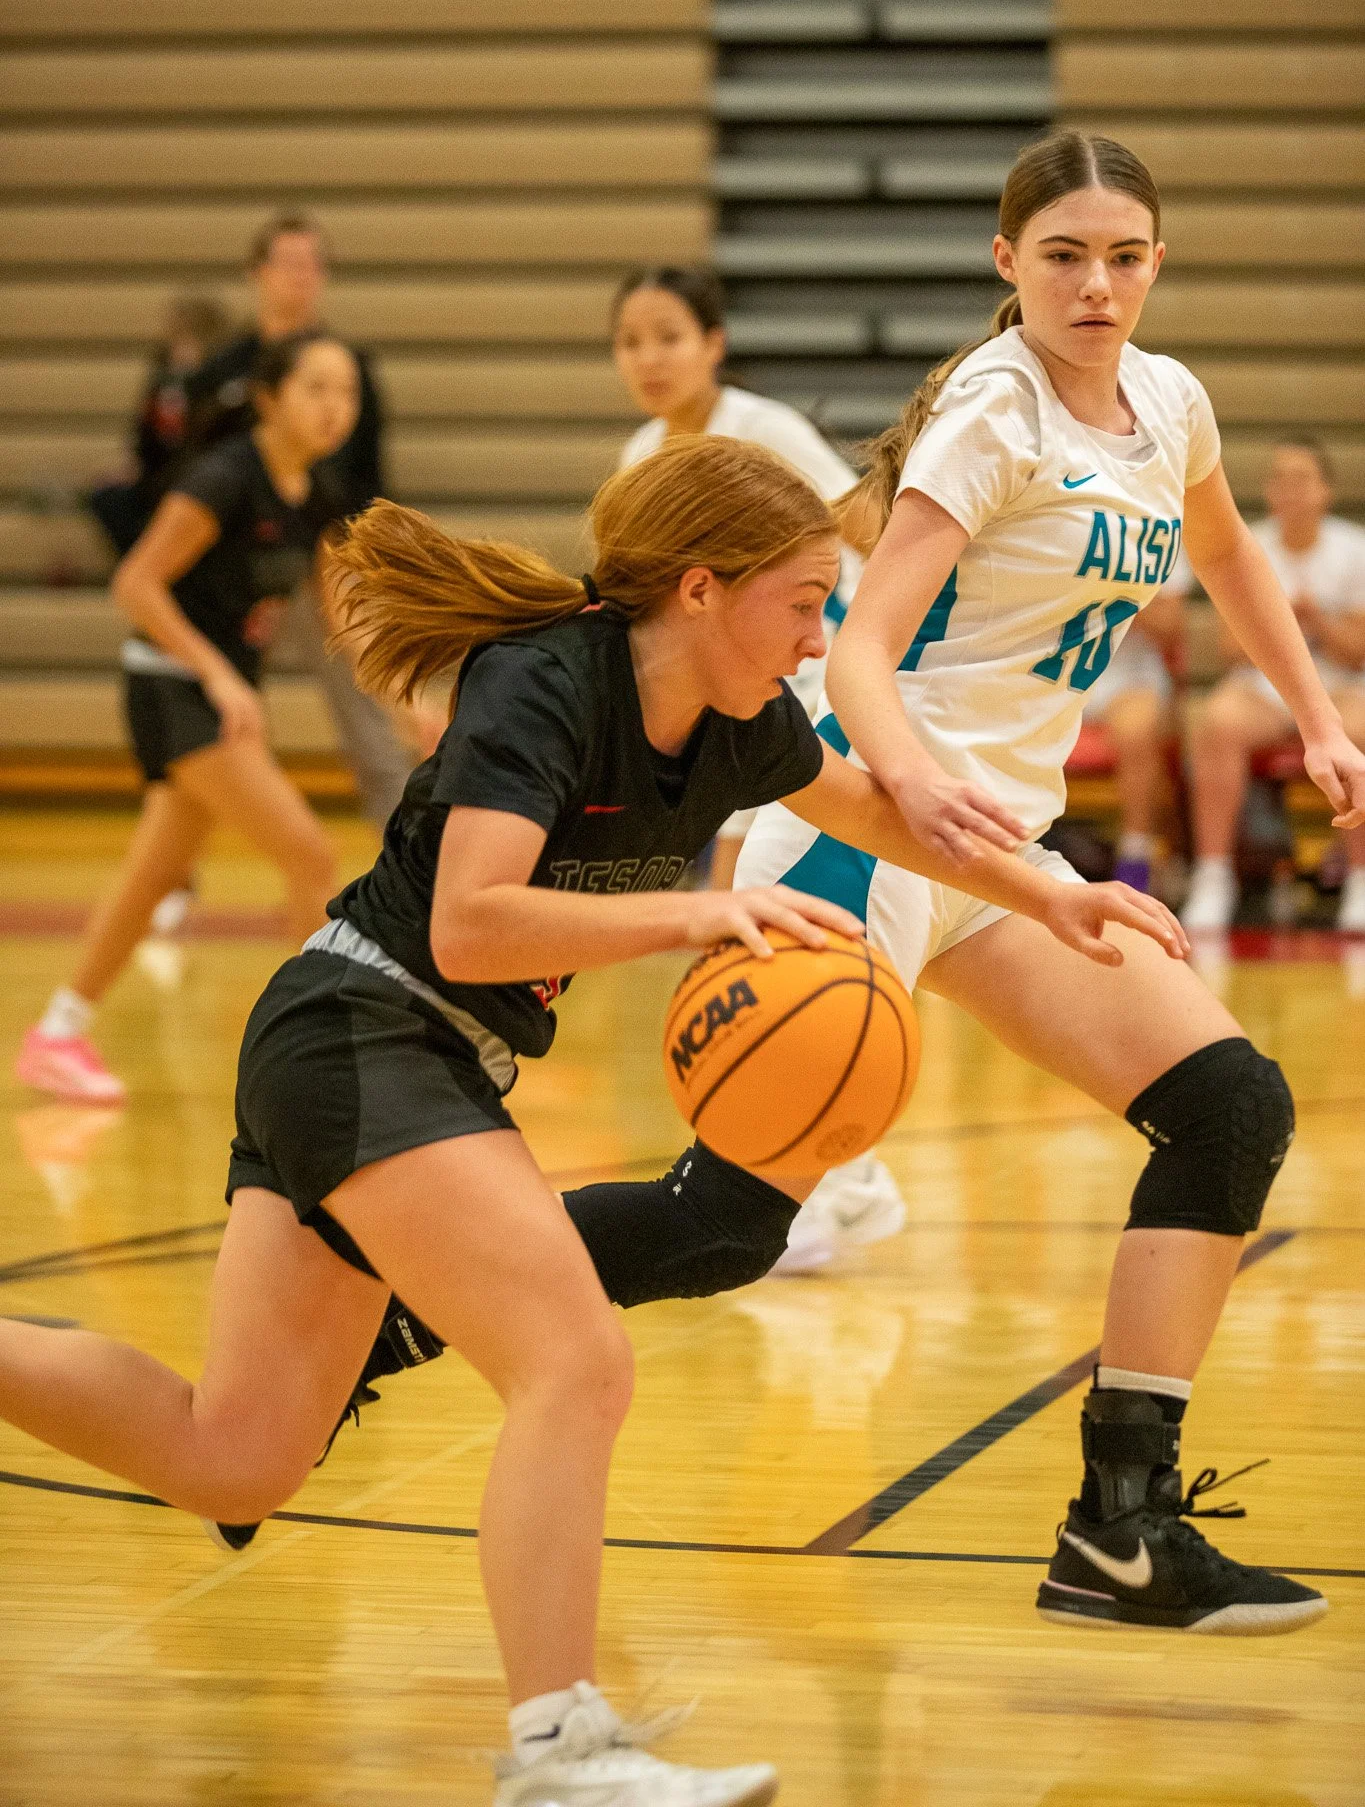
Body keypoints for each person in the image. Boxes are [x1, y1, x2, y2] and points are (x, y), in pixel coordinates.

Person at [0, 442, 1187, 1807]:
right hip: (365, 1028)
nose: (822, 635)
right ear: (701, 590)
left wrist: (1055, 896)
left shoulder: (743, 721)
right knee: (575, 1360)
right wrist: (693, 912)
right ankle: (559, 1749)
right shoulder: (545, 684)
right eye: (803, 602)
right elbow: (470, 920)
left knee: (238, 1455)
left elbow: (878, 814)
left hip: (385, 1048)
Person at [731, 130, 1351, 1634]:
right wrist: (914, 791)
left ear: (1155, 262)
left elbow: (1224, 554)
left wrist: (1321, 716)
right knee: (735, 1221)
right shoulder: (988, 412)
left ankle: (1119, 1532)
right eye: (1063, 254)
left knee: (1227, 1106)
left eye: (1124, 255)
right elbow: (861, 648)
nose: (1096, 283)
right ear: (1006, 264)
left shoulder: (1169, 401)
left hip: (1001, 849)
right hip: (865, 824)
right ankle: (411, 1289)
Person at [613, 265, 896, 1273]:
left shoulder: (763, 428)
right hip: (738, 698)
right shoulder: (643, 453)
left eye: (668, 336)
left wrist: (870, 647)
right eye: (632, 339)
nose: (649, 357)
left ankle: (820, 1177)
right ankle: (836, 1168)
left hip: (817, 680)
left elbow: (863, 523)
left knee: (765, 919)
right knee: (751, 921)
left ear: (715, 343)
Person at [16, 332, 355, 1105]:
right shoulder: (224, 480)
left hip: (217, 693)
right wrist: (218, 677)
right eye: (317, 389)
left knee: (156, 871)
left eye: (346, 393)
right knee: (306, 854)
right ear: (269, 398)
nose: (335, 408)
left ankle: (58, 1033)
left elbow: (343, 624)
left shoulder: (316, 493)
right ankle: (313, 1053)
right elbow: (136, 586)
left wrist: (415, 708)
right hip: (171, 687)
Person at [185, 211, 413, 830]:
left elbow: (369, 485)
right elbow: (178, 481)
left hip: (319, 563)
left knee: (369, 711)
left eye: (313, 264)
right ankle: (176, 870)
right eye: (288, 263)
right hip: (229, 579)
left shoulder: (351, 364)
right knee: (215, 728)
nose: (301, 278)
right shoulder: (221, 377)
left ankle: (404, 852)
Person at [1182, 438, 1365, 932]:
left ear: (1325, 491)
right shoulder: (1245, 543)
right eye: (1279, 478)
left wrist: (1318, 620)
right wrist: (1276, 623)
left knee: (1359, 731)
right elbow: (1227, 648)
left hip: (1338, 684)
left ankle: (1360, 876)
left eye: (1301, 478)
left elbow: (1358, 651)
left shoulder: (1354, 549)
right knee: (1215, 722)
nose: (1289, 489)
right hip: (1261, 686)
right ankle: (1214, 874)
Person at [1077, 550, 1191, 892]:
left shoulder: (1156, 531)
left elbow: (1171, 628)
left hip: (1127, 678)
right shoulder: (1051, 521)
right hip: (1054, 668)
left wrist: (1117, 601)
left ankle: (1135, 856)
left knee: (1138, 730)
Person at [88, 292, 231, 559]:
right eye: (176, 338)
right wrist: (133, 467)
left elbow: (218, 442)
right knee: (108, 498)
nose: (179, 346)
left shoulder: (221, 386)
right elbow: (144, 436)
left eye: (188, 338)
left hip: (200, 478)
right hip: (158, 479)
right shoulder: (162, 380)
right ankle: (147, 566)